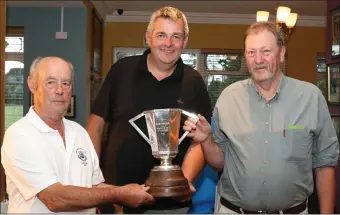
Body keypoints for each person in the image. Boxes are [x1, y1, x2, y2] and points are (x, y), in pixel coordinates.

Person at [183, 21, 339, 214]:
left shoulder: (311, 97)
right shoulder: (228, 98)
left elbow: (325, 163)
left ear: (282, 54)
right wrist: (206, 140)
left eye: (266, 51)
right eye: (251, 52)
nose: (258, 60)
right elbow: (220, 163)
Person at [86, 6, 212, 214]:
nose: (168, 44)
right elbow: (96, 126)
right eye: (161, 35)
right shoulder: (121, 71)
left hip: (170, 205)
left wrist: (184, 182)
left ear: (185, 41)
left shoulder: (194, 82)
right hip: (117, 197)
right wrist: (92, 179)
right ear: (148, 37)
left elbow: (199, 142)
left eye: (176, 37)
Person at [1, 56, 154, 213]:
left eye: (66, 83)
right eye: (51, 82)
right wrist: (119, 194)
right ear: (32, 85)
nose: (60, 90)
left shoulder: (79, 132)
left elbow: (94, 186)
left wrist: (141, 192)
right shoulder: (20, 135)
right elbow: (54, 199)